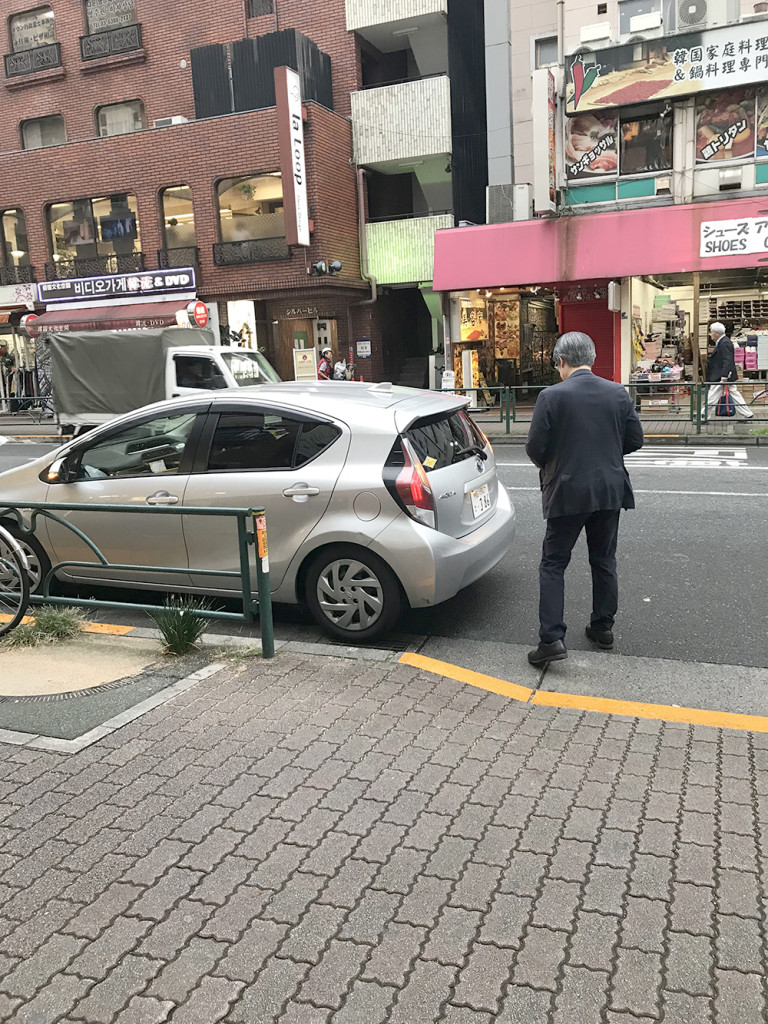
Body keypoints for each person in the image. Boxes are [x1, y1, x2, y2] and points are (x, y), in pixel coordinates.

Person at [525, 332, 645, 668]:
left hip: (566, 489)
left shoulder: (552, 396)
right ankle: (602, 627)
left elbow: (535, 447)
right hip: (609, 488)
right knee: (604, 559)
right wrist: (605, 454)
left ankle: (551, 638)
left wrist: (557, 462)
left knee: (553, 563)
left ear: (561, 361)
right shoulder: (617, 393)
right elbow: (635, 438)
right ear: (591, 359)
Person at [705, 322, 754, 420]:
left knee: (712, 396)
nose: (710, 334)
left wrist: (724, 375)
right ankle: (747, 414)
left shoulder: (724, 343)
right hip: (726, 374)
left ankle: (703, 416)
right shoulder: (724, 342)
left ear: (717, 333)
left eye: (711, 332)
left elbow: (727, 360)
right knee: (734, 394)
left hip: (721, 375)